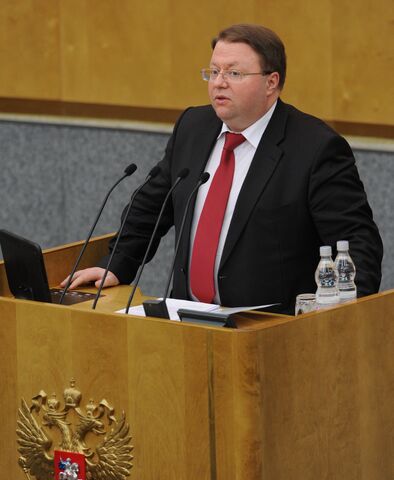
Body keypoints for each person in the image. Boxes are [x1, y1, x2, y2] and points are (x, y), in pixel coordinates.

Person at [61, 23, 383, 314]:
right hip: (187, 317)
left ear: (271, 83)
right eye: (213, 72)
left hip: (271, 329)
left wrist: (342, 323)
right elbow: (152, 206)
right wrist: (117, 264)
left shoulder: (315, 148)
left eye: (233, 74)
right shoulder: (194, 126)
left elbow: (356, 243)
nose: (219, 83)